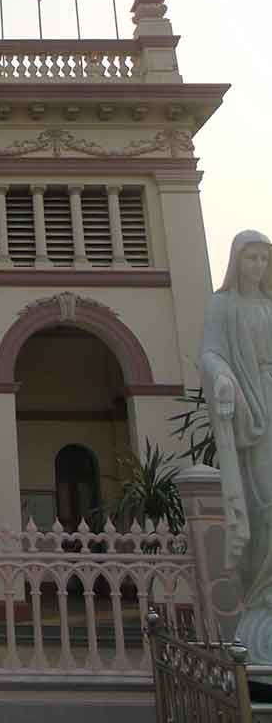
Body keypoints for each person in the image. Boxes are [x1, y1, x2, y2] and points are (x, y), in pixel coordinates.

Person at [201, 229, 272, 654]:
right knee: (263, 498)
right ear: (236, 261)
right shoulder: (222, 305)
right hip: (250, 408)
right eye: (252, 258)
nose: (259, 266)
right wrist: (223, 378)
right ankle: (262, 591)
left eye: (265, 259)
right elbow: (209, 353)